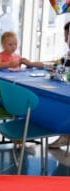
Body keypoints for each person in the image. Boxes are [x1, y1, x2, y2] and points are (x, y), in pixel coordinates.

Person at [49, 21, 70, 149]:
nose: (64, 39)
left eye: (66, 35)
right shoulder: (67, 55)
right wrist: (56, 70)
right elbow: (58, 66)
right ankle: (65, 135)